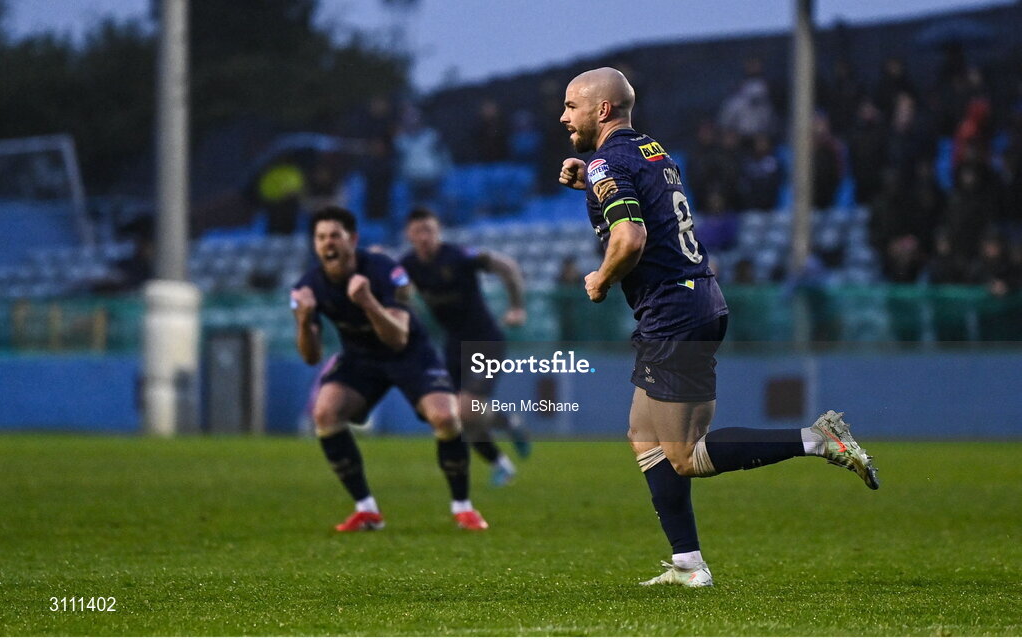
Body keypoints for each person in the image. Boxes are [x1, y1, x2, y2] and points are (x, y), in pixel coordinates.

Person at [557, 67, 879, 588]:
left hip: (672, 311)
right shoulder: (650, 150)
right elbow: (646, 211)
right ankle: (688, 564)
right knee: (645, 436)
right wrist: (588, 182)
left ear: (602, 110)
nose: (563, 115)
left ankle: (819, 441)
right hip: (695, 297)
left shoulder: (606, 162)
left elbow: (631, 239)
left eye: (572, 105)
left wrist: (600, 279)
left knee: (686, 455)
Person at [290, 206, 489, 532]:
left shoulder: (384, 269)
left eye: (335, 236)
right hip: (360, 357)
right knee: (325, 413)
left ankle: (463, 507)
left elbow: (397, 339)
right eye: (321, 237)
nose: (328, 244)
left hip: (411, 354)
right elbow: (311, 357)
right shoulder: (308, 286)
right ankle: (366, 510)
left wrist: (368, 301)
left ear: (352, 239)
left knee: (446, 417)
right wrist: (302, 320)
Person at [400, 208, 531, 487]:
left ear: (438, 232)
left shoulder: (458, 256)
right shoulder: (408, 265)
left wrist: (517, 307)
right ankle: (503, 456)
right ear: (408, 235)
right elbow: (393, 288)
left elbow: (505, 265)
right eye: (418, 231)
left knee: (466, 410)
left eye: (429, 230)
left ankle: (506, 426)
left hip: (485, 340)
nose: (424, 237)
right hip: (453, 345)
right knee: (453, 416)